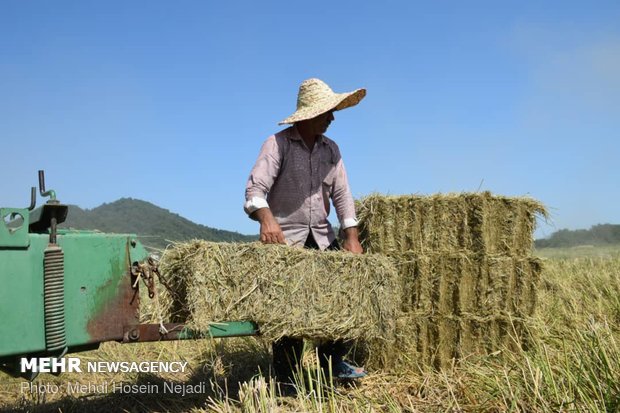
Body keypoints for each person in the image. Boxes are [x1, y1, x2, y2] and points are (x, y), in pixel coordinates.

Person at [244, 78, 367, 386]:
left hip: (323, 240)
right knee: (289, 311)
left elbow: (342, 195)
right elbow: (255, 188)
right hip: (287, 242)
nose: (332, 117)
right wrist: (266, 219)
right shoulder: (278, 144)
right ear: (311, 114)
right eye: (328, 112)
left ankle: (334, 361)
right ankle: (287, 376)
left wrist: (351, 237)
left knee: (338, 300)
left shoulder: (331, 150)